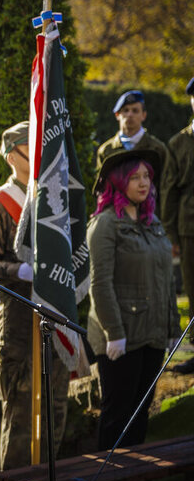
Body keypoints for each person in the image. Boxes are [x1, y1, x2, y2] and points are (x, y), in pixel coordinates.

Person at [0, 121, 69, 470]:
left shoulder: (53, 199)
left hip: (53, 318)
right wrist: (19, 271)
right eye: (31, 147)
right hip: (18, 322)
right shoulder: (0, 203)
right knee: (21, 418)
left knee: (55, 411)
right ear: (13, 155)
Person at [87, 148, 179, 450]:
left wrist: (169, 329)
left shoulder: (152, 223)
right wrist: (114, 333)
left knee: (140, 416)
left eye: (147, 177)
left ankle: (133, 480)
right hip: (121, 339)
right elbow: (100, 283)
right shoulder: (104, 224)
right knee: (117, 417)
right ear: (118, 181)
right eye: (135, 177)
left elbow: (165, 281)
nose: (144, 183)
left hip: (151, 335)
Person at [162, 77, 194, 374]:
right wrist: (170, 233)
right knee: (193, 289)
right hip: (189, 229)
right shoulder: (179, 143)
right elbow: (169, 191)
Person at [96, 90, 167, 180]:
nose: (130, 114)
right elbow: (101, 186)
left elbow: (165, 184)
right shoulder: (106, 150)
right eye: (125, 110)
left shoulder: (157, 149)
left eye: (135, 111)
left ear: (144, 115)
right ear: (117, 115)